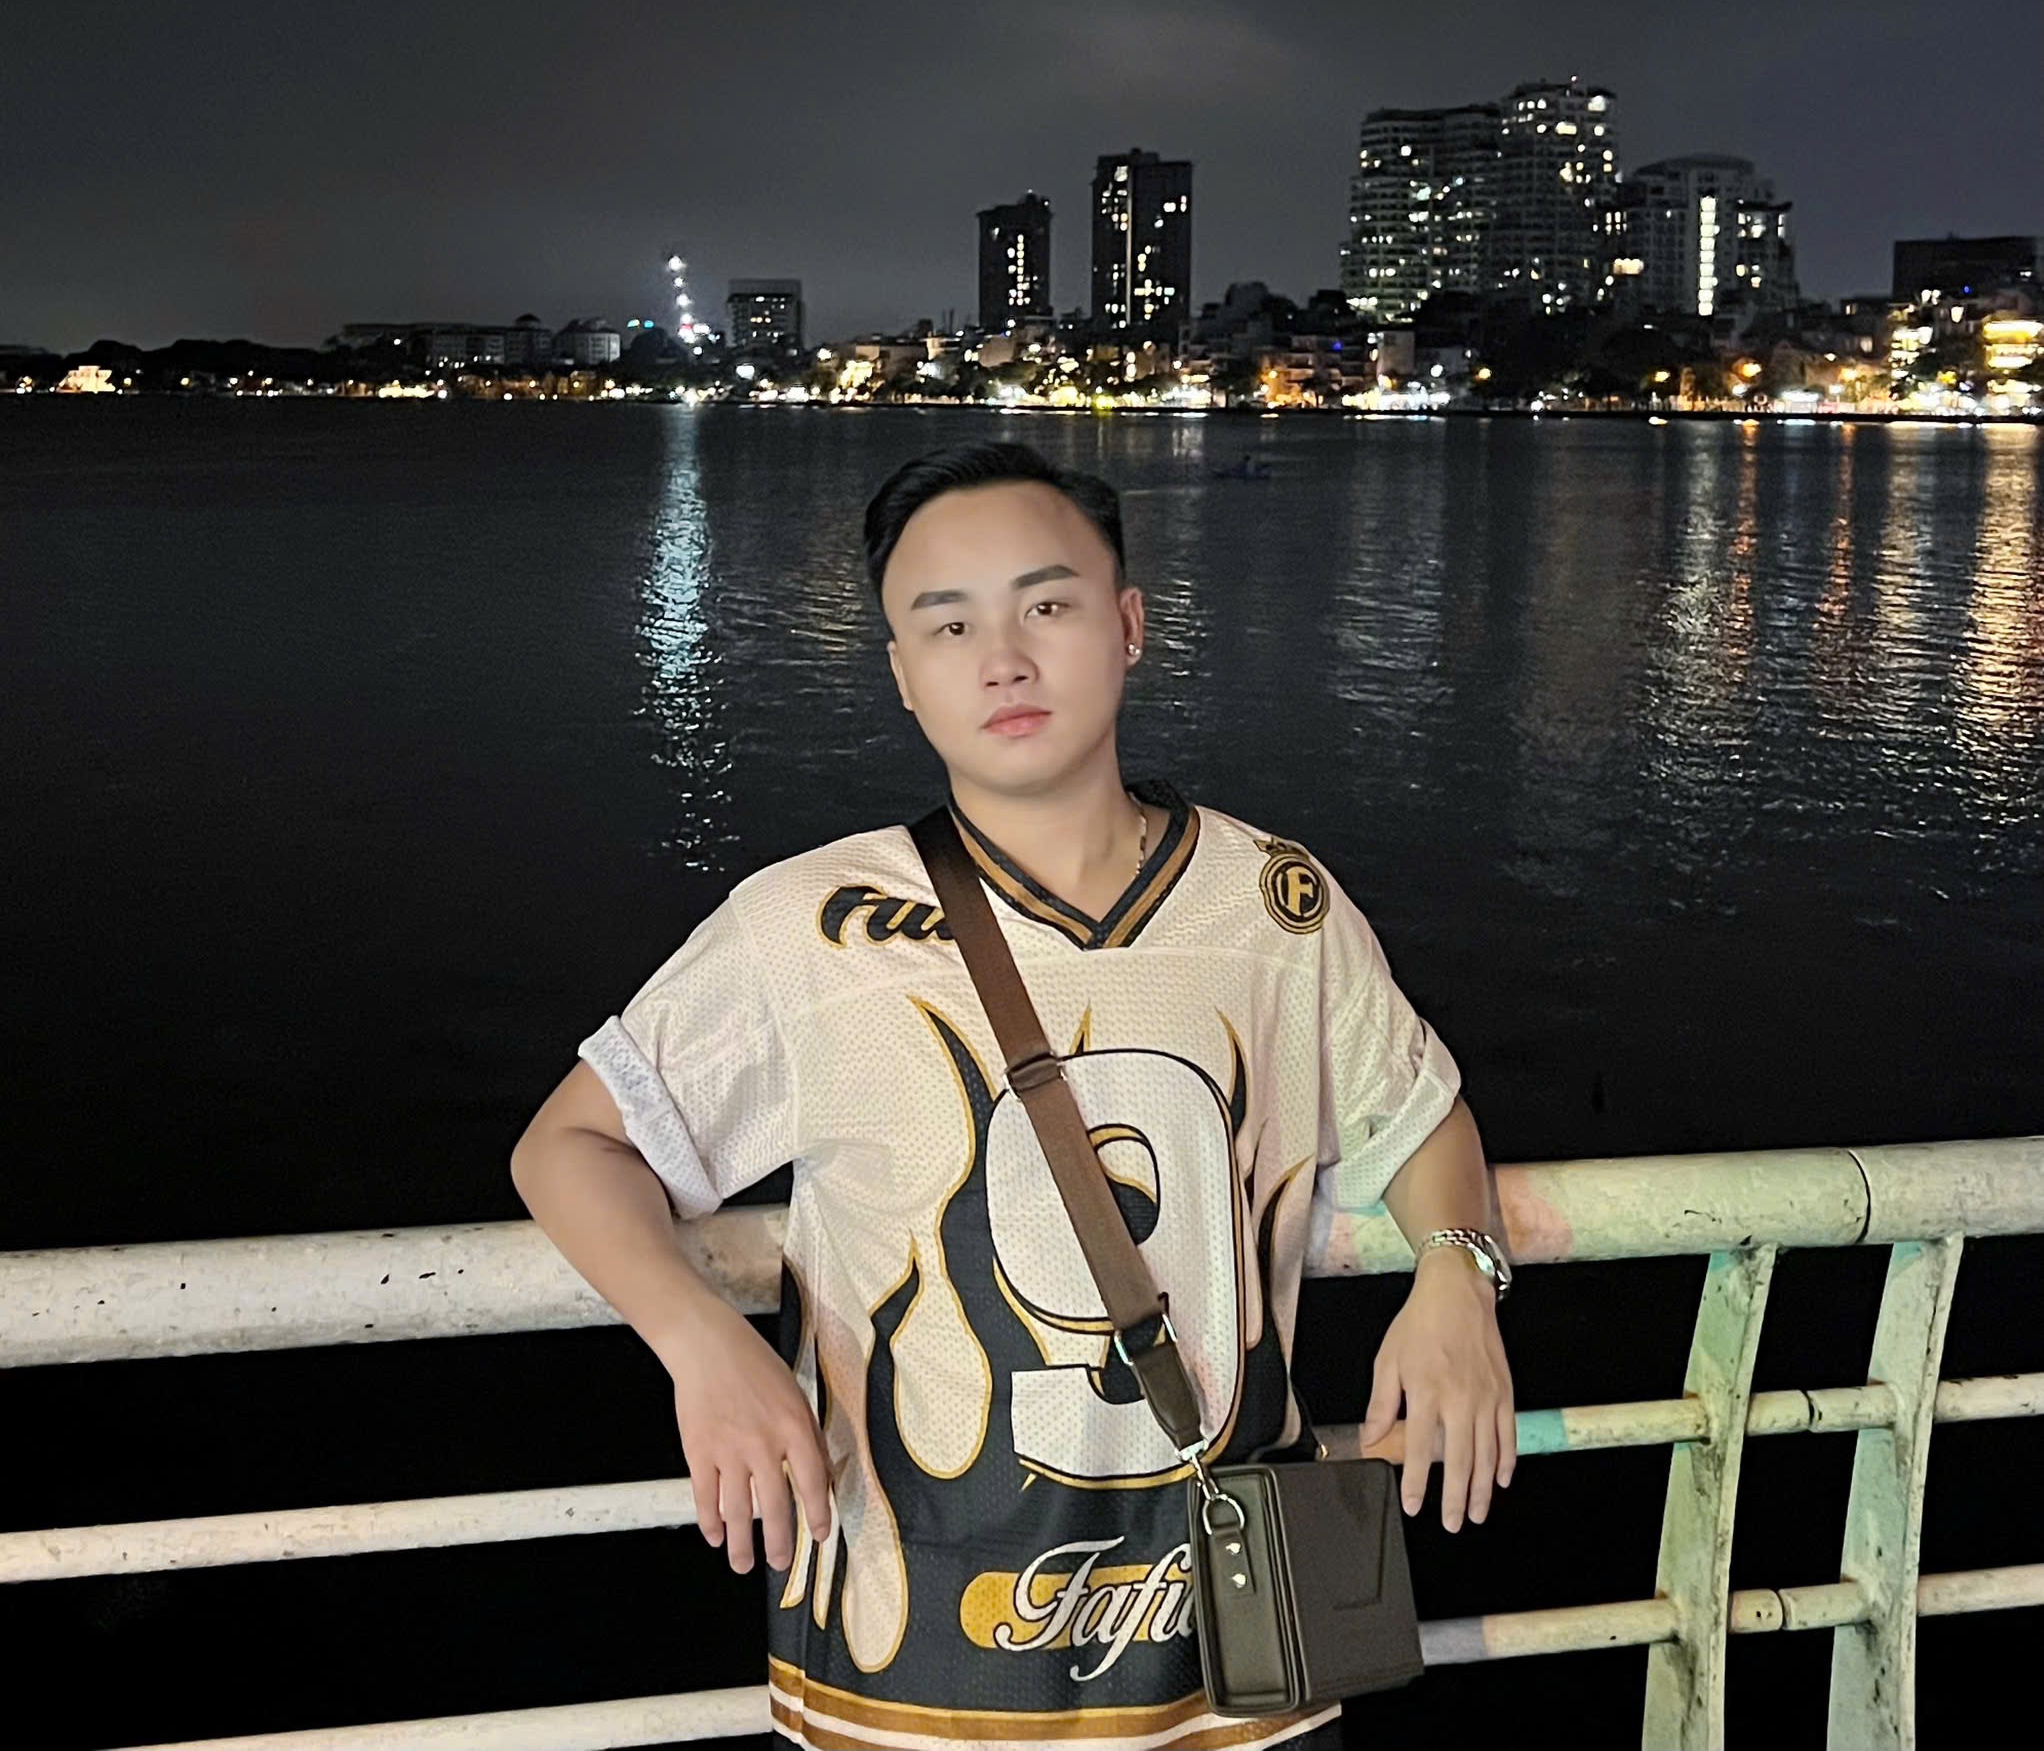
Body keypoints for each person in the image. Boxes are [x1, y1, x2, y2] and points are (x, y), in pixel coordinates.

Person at [512, 440, 1515, 1750]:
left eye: (1047, 604)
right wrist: (702, 1344)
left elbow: (1417, 1116)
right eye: (949, 624)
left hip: (1240, 1644)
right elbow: (574, 1144)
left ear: (1128, 625)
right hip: (914, 1656)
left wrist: (1456, 1275)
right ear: (902, 675)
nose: (1004, 659)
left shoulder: (1275, 906)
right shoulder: (812, 926)